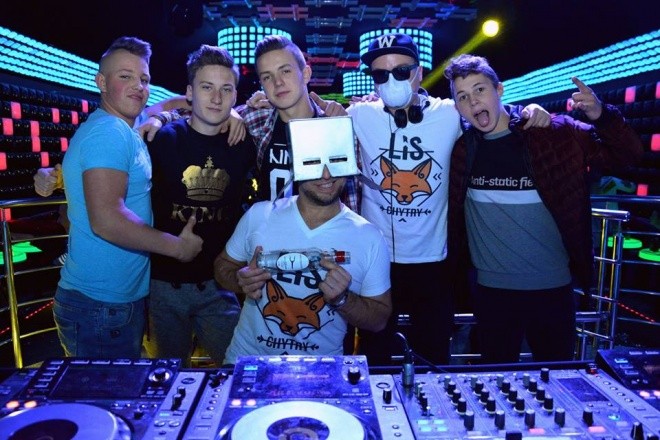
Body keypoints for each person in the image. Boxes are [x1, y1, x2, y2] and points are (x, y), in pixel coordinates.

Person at [343, 34, 550, 365]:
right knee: (374, 356)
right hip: (377, 260)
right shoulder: (359, 115)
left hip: (435, 264)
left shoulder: (450, 113)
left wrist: (530, 111)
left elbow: (491, 113)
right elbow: (311, 113)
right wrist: (260, 102)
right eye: (381, 74)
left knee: (433, 356)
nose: (391, 80)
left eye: (401, 71)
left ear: (419, 73)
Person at [444, 54, 643, 363]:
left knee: (557, 376)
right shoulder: (461, 149)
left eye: (479, 89)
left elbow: (628, 155)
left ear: (499, 90)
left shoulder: (552, 133)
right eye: (463, 96)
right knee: (498, 380)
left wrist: (601, 114)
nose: (473, 101)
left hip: (553, 290)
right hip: (491, 293)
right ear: (457, 107)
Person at [55, 36, 203, 358]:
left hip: (108, 302)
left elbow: (169, 105)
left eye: (144, 79)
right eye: (125, 76)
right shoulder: (109, 133)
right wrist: (177, 247)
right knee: (108, 390)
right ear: (101, 82)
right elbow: (107, 220)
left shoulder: (124, 127)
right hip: (101, 305)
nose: (138, 86)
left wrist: (218, 110)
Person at [214, 117, 392, 364]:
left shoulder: (369, 238)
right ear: (297, 165)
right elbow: (222, 267)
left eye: (336, 161)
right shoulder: (260, 215)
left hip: (321, 370)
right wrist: (240, 279)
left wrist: (343, 299)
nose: (326, 175)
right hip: (247, 362)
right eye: (313, 162)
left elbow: (379, 319)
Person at [142, 44, 255, 367]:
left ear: (235, 96)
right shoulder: (160, 140)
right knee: (165, 380)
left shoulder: (244, 144)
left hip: (218, 286)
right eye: (207, 87)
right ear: (190, 93)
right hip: (162, 286)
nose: (217, 98)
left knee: (238, 373)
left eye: (226, 89)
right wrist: (54, 175)